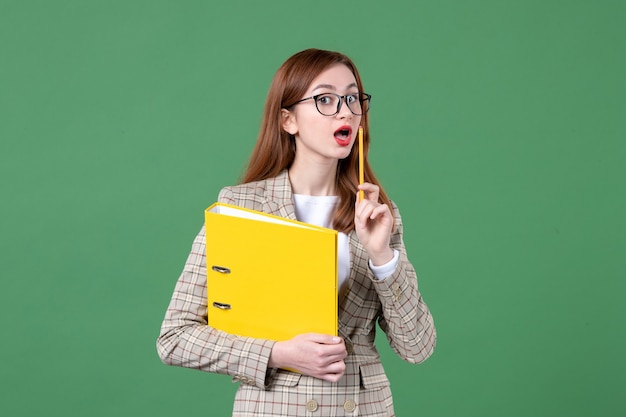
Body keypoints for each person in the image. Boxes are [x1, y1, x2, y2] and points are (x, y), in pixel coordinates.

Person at [156, 48, 436, 416]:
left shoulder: (376, 212)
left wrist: (383, 257)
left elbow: (417, 347)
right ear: (288, 120)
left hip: (362, 406)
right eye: (325, 99)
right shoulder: (241, 207)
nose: (345, 111)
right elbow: (174, 338)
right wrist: (278, 353)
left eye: (353, 98)